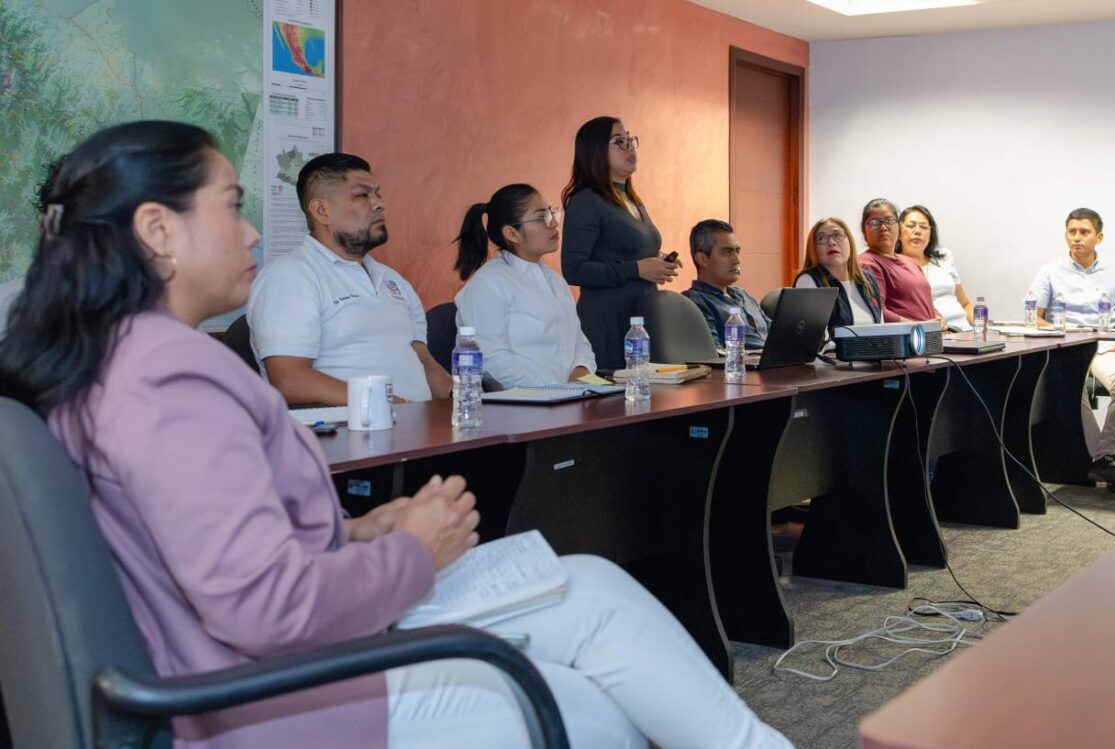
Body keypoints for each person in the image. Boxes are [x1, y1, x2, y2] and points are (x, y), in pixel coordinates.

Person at [0, 121, 792, 749]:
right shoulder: (167, 379)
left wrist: (362, 525)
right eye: (232, 205)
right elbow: (264, 607)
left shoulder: (117, 358)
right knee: (589, 702)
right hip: (273, 699)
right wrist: (412, 550)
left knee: (589, 586)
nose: (248, 234)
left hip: (265, 662)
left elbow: (203, 544)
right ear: (157, 230)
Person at [247, 153, 451, 404]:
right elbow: (289, 380)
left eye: (378, 193)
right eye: (362, 195)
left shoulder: (393, 280)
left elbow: (424, 362)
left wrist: (466, 400)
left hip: (419, 430)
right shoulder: (291, 276)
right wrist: (385, 403)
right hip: (348, 433)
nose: (378, 204)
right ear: (322, 210)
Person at [1030, 207, 1115, 485]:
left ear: (1099, 237)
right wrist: (1056, 330)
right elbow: (1034, 316)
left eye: (1084, 232)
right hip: (1067, 347)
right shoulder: (1050, 271)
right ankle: (1103, 459)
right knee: (1073, 390)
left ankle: (1105, 454)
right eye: (1072, 232)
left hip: (1105, 345)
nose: (1077, 238)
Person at [561, 116, 677, 370]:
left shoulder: (632, 198)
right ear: (594, 151)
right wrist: (637, 268)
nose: (630, 147)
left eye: (631, 140)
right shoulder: (586, 201)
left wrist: (656, 259)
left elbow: (621, 250)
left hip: (642, 318)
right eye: (619, 141)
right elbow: (573, 269)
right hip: (607, 322)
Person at [452, 184, 597, 388]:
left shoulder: (556, 281)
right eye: (541, 217)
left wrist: (580, 374)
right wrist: (549, 393)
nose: (553, 223)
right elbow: (491, 358)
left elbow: (578, 342)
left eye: (551, 212)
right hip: (523, 406)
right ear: (512, 234)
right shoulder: (489, 284)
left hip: (569, 399)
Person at [682, 219, 769, 348]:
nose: (736, 260)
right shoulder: (694, 302)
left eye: (737, 252)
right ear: (702, 259)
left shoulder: (743, 295)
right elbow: (713, 357)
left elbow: (777, 334)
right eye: (727, 252)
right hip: (740, 366)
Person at [793, 217, 883, 332]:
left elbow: (881, 328)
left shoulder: (868, 280)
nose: (831, 242)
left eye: (837, 235)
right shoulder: (808, 280)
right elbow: (815, 337)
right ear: (813, 249)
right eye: (821, 238)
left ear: (850, 241)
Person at [856, 198, 938, 324]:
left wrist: (938, 317)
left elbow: (924, 303)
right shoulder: (868, 263)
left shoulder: (911, 262)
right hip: (906, 339)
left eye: (889, 220)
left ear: (899, 227)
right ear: (863, 230)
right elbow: (877, 311)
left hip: (931, 335)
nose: (883, 227)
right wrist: (919, 326)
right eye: (874, 222)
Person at [897, 205, 973, 332]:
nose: (917, 231)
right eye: (911, 226)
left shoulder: (943, 258)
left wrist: (981, 325)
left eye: (924, 227)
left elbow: (965, 304)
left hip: (966, 330)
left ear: (930, 234)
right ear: (898, 232)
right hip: (937, 334)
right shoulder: (892, 266)